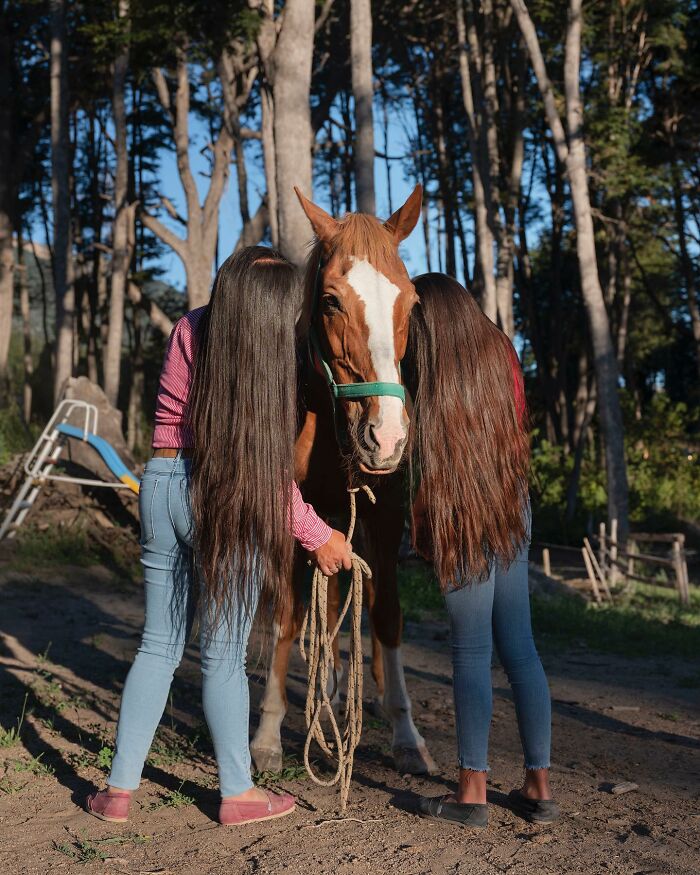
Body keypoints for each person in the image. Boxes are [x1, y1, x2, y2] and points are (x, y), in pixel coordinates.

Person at [85, 246, 352, 827]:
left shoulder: (190, 326)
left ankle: (118, 792)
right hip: (224, 500)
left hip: (159, 481)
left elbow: (178, 434)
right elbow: (258, 475)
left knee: (157, 644)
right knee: (225, 654)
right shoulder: (277, 353)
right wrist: (317, 534)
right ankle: (237, 792)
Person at [404, 273, 560, 829]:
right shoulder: (500, 348)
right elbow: (516, 429)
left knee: (471, 651)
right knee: (521, 648)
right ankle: (538, 786)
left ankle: (472, 792)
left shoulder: (423, 360)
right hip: (510, 497)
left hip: (459, 501)